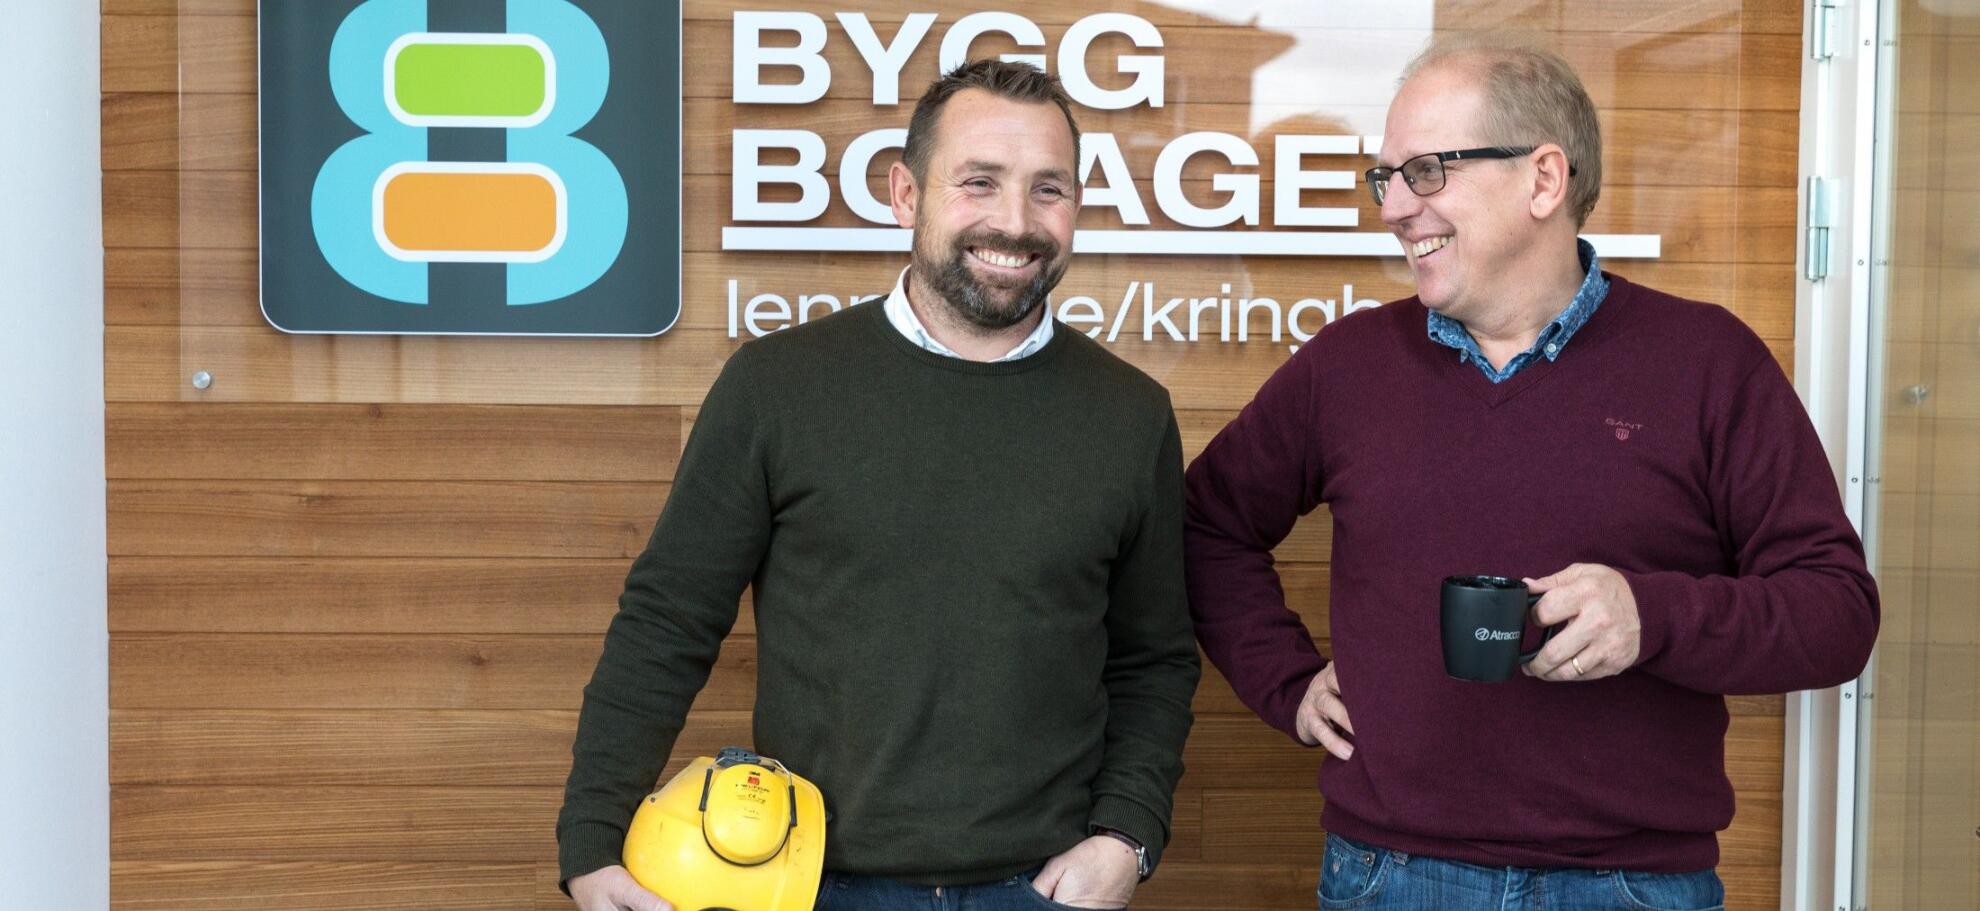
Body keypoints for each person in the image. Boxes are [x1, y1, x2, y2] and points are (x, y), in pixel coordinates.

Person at [1182, 37, 1879, 910]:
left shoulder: (1708, 362)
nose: (1394, 206)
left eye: (1426, 171)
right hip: (1392, 878)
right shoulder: (1346, 367)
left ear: (1544, 179)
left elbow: (1837, 612)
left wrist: (1650, 616)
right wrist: (1285, 681)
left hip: (1633, 886)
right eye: (1385, 177)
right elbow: (1206, 523)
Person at [559, 59, 1199, 911]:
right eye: (979, 182)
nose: (1016, 221)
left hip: (1044, 888)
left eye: (1048, 189)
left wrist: (1127, 834)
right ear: (906, 194)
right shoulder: (777, 387)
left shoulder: (1130, 415)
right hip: (810, 883)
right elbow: (667, 622)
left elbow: (1154, 658)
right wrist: (592, 839)